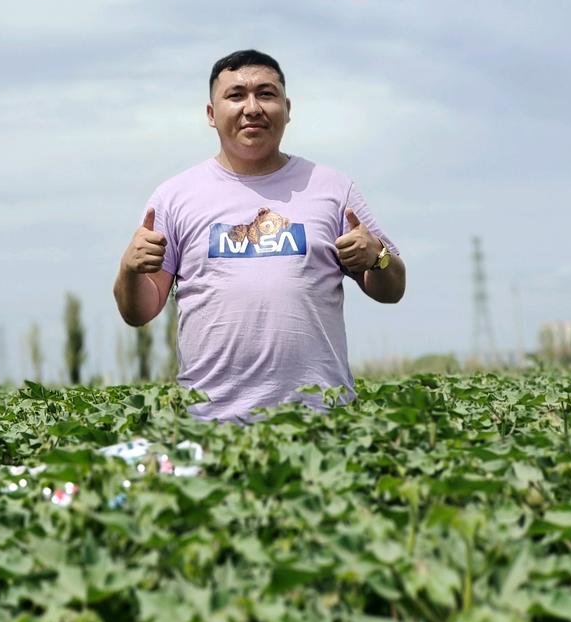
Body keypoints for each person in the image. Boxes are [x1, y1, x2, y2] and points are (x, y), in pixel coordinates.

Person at [113, 49, 406, 422]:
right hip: (210, 422)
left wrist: (377, 256)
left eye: (265, 94)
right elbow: (138, 312)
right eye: (236, 96)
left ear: (287, 108)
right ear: (210, 114)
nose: (252, 107)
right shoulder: (174, 197)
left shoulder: (333, 188)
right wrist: (129, 268)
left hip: (321, 422)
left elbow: (393, 289)